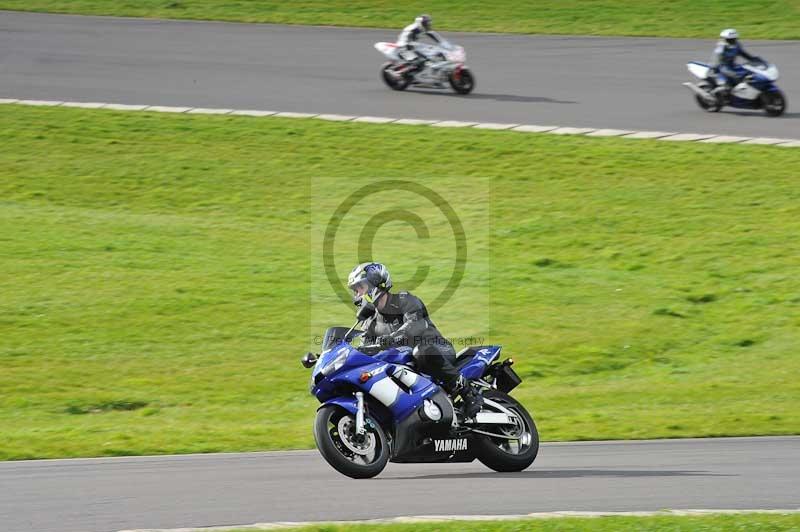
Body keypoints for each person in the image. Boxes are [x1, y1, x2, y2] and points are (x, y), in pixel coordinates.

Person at [347, 262, 483, 418]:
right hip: (407, 364)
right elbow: (366, 348)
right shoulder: (370, 322)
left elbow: (415, 326)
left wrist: (391, 339)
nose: (357, 295)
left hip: (436, 349)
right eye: (355, 291)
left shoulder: (404, 300)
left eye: (360, 288)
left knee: (422, 351)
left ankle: (468, 392)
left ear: (376, 282)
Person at [711, 29, 760, 99]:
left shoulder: (737, 45)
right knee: (735, 77)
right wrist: (714, 69)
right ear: (725, 39)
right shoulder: (721, 48)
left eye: (733, 39)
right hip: (722, 67)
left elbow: (743, 53)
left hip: (732, 65)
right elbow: (716, 60)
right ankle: (715, 93)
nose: (732, 41)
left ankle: (747, 93)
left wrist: (753, 59)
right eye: (729, 39)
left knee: (749, 72)